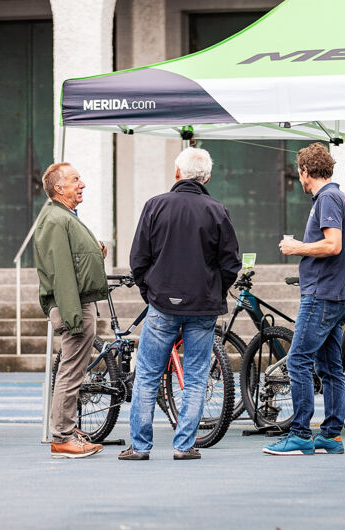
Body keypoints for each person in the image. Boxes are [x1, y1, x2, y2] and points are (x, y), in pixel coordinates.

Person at [119, 147, 240, 461]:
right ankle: (184, 445)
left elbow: (138, 260)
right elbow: (230, 264)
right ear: (207, 177)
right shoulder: (217, 210)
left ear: (177, 173)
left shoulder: (155, 206)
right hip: (203, 306)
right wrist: (214, 290)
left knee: (147, 374)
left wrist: (152, 292)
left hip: (162, 303)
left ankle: (141, 446)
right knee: (197, 376)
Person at [263, 143, 345, 456]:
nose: (299, 179)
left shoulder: (328, 198)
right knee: (330, 368)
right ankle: (331, 435)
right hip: (337, 293)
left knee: (298, 361)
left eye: (299, 172)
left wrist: (297, 247)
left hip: (321, 295)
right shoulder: (343, 198)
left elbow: (332, 245)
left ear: (306, 171)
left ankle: (301, 433)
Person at [34, 162, 108, 459]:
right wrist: (73, 316)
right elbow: (62, 271)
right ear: (59, 188)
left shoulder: (63, 216)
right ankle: (62, 437)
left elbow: (72, 258)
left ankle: (66, 431)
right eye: (76, 179)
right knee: (70, 373)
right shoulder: (55, 219)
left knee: (73, 371)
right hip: (72, 304)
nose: (82, 184)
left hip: (76, 302)